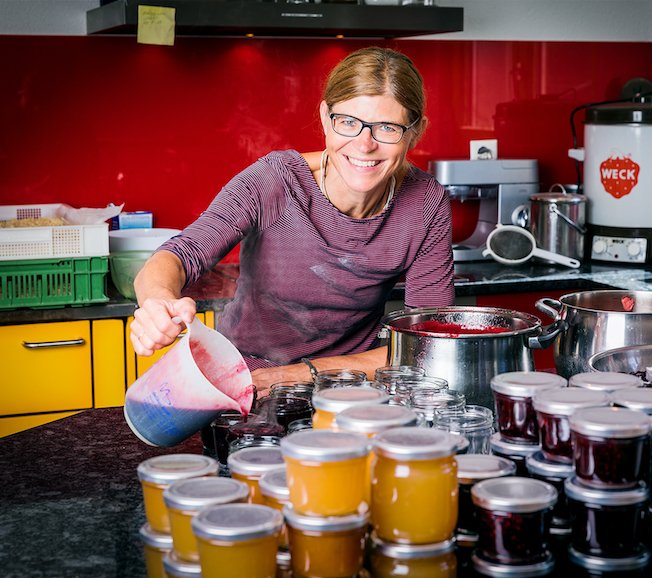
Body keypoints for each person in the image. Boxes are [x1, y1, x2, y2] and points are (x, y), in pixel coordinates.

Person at [130, 46, 455, 396]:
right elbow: (180, 255)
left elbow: (429, 343)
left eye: (387, 128)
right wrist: (158, 300)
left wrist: (298, 374)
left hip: (350, 390)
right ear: (326, 117)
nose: (364, 145)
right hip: (242, 381)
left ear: (415, 132)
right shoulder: (275, 181)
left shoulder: (425, 203)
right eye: (348, 122)